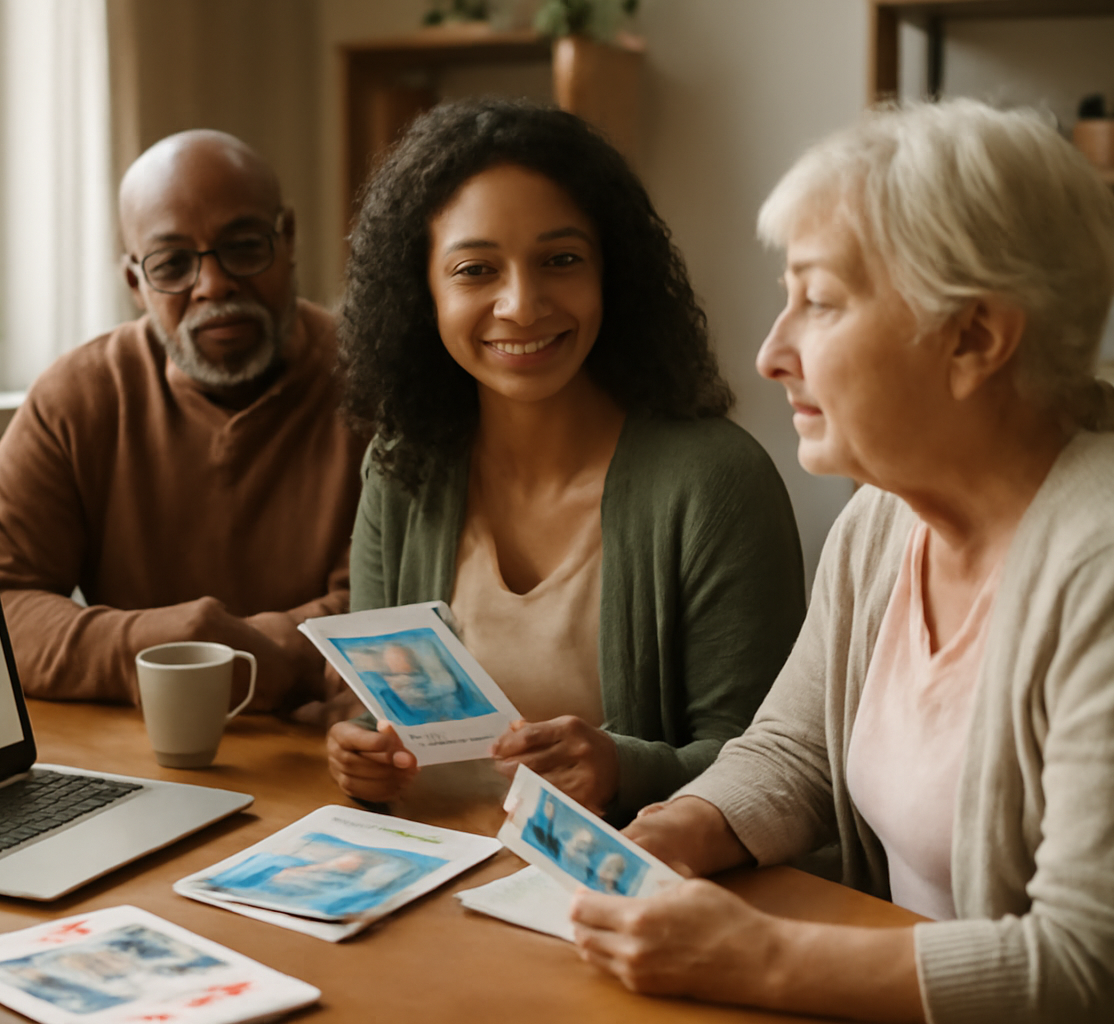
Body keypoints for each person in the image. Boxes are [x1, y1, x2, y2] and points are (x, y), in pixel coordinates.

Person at [570, 100, 1114, 1024]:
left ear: (975, 339)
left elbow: (1099, 963)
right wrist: (683, 827)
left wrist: (762, 959)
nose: (770, 354)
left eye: (821, 301)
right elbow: (795, 751)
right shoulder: (884, 514)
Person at [325, 99, 807, 823]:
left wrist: (623, 767)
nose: (521, 304)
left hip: (611, 904)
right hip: (421, 880)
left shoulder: (717, 482)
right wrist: (359, 756)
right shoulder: (401, 471)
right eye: (475, 269)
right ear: (419, 290)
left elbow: (774, 770)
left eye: (560, 260)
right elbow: (377, 717)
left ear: (611, 271)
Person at [0, 130, 365, 712]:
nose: (214, 284)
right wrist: (160, 643)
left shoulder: (378, 387)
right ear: (134, 284)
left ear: (288, 238)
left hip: (333, 750)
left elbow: (393, 608)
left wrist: (249, 651)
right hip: (136, 751)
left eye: (245, 247)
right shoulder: (80, 396)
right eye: (172, 263)